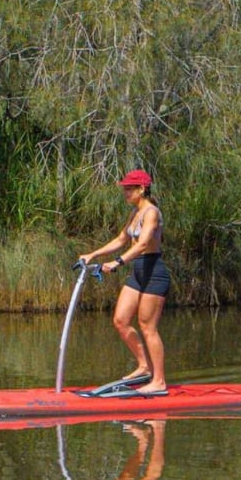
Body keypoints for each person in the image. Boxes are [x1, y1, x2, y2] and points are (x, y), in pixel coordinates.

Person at [79, 169, 169, 395]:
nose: (126, 193)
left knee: (148, 326)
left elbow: (143, 244)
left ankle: (159, 381)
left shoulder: (151, 212)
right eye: (125, 189)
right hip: (138, 272)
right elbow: (121, 239)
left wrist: (117, 262)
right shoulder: (135, 213)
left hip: (153, 272)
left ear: (142, 189)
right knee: (120, 320)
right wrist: (93, 254)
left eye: (130, 189)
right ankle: (144, 366)